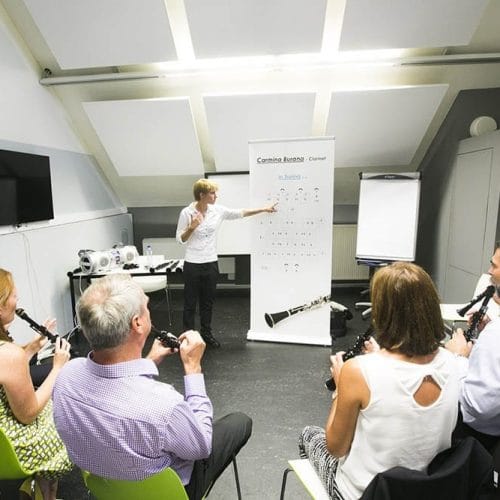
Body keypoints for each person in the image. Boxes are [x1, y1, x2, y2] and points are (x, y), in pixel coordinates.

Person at [52, 274, 252, 500]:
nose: (149, 310)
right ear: (137, 323)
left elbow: (118, 394)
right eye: (146, 306)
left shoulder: (66, 376)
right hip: (167, 493)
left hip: (105, 487)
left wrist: (149, 360)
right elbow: (201, 447)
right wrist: (193, 367)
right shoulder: (166, 406)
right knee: (239, 422)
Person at [299, 262, 460, 500]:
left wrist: (340, 388)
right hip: (427, 491)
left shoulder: (358, 371)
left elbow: (336, 448)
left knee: (308, 435)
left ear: (383, 312)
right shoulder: (455, 362)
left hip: (367, 494)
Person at [176, 178, 277, 347]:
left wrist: (264, 209)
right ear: (201, 195)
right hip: (192, 263)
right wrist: (192, 227)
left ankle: (206, 334)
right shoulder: (187, 212)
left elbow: (240, 213)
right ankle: (188, 338)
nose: (216, 196)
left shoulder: (218, 211)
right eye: (212, 193)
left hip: (210, 263)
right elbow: (180, 239)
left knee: (207, 302)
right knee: (190, 303)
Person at [0, 268, 72, 500]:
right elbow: (28, 414)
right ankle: (45, 491)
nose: (17, 300)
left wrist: (30, 349)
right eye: (13, 296)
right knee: (67, 416)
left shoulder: (9, 354)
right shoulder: (8, 354)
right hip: (12, 446)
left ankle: (38, 488)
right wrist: (58, 367)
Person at [446, 241, 500, 452]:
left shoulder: (496, 333)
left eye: (494, 266)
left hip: (481, 440)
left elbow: (478, 406)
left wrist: (458, 358)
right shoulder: (494, 332)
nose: (489, 271)